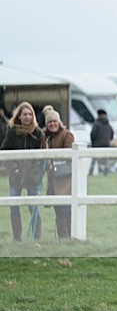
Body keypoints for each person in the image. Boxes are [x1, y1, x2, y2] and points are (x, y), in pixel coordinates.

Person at [1, 102, 45, 241]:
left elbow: (42, 155)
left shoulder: (38, 133)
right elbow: (4, 151)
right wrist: (14, 169)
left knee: (33, 208)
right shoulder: (12, 131)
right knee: (14, 207)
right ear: (19, 116)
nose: (27, 117)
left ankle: (36, 237)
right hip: (16, 176)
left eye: (30, 114)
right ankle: (17, 237)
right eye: (24, 114)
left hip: (33, 177)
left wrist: (34, 172)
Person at [42, 107, 74, 239]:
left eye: (54, 121)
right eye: (50, 122)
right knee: (57, 209)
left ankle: (68, 235)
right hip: (52, 177)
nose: (52, 124)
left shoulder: (67, 135)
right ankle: (62, 236)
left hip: (65, 177)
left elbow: (69, 154)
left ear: (58, 122)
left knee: (65, 208)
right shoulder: (45, 137)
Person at [90, 108, 114, 175]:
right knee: (105, 160)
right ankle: (106, 173)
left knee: (94, 160)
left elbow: (93, 134)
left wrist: (93, 142)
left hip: (97, 144)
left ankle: (91, 172)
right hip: (106, 144)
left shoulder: (96, 124)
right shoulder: (108, 124)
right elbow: (112, 134)